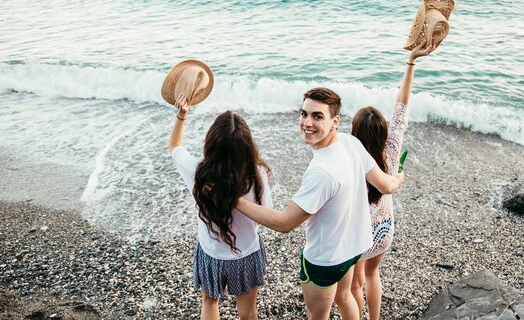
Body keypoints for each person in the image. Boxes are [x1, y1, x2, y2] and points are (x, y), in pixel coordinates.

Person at [236, 87, 404, 320]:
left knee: (317, 314)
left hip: (325, 259)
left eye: (317, 116)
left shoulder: (321, 172)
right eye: (304, 113)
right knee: (344, 297)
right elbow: (385, 186)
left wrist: (235, 202)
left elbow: (285, 223)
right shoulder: (351, 143)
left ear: (335, 121)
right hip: (354, 247)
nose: (307, 122)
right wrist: (397, 179)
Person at [349, 40, 433, 320]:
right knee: (374, 275)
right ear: (383, 131)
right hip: (385, 228)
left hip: (360, 232)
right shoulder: (392, 149)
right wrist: (411, 62)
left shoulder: (352, 158)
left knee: (356, 282)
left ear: (355, 133)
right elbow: (402, 108)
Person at [168, 94, 272, 320]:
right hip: (246, 253)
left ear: (211, 144)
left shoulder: (199, 172)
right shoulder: (256, 174)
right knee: (248, 312)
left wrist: (182, 115)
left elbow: (175, 146)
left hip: (211, 253)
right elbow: (267, 213)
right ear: (247, 147)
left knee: (209, 301)